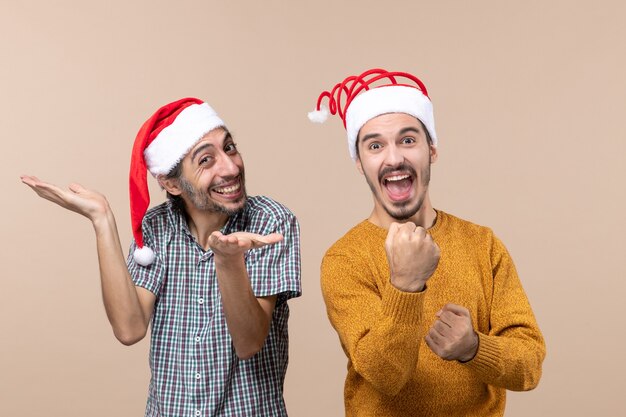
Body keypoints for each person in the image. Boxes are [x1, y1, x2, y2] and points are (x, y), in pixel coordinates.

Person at [22, 97, 301, 417]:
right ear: (171, 183)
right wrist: (102, 221)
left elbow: (249, 341)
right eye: (207, 160)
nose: (231, 167)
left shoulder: (271, 221)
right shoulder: (156, 227)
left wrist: (228, 261)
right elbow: (129, 328)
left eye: (230, 147)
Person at [308, 69, 545, 416]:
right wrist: (405, 284)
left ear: (431, 149)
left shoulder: (482, 244)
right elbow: (385, 375)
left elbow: (530, 366)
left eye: (407, 140)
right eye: (375, 145)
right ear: (360, 163)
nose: (393, 158)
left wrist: (473, 348)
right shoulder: (345, 259)